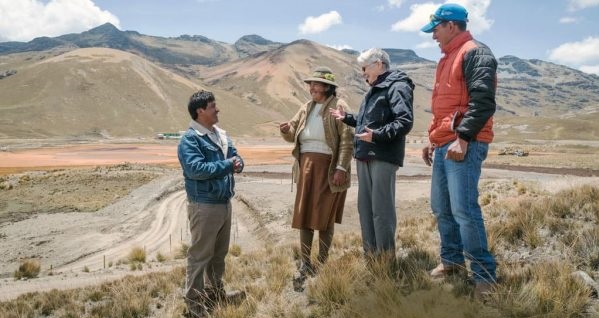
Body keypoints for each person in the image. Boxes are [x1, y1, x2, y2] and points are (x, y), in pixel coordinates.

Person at [419, 3, 497, 298]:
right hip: (444, 144)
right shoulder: (447, 58)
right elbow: (445, 110)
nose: (433, 36)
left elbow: (483, 101)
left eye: (436, 29)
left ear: (451, 25)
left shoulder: (475, 52)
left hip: (465, 144)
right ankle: (451, 261)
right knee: (442, 208)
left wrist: (463, 138)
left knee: (464, 209)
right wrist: (432, 138)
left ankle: (485, 275)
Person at [330, 48, 414, 257]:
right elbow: (368, 121)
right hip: (365, 155)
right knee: (365, 209)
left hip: (383, 157)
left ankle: (385, 258)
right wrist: (348, 118)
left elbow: (404, 121)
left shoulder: (398, 86)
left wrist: (377, 135)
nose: (362, 73)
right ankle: (370, 255)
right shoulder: (375, 89)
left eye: (365, 68)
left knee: (381, 210)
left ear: (378, 64)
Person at [279, 66, 354, 288]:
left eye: (317, 84)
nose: (312, 87)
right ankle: (305, 262)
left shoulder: (339, 107)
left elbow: (347, 140)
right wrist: (285, 130)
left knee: (324, 216)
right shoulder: (307, 107)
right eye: (311, 84)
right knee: (304, 214)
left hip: (329, 167)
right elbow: (293, 132)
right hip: (307, 166)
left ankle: (322, 261)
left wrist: (341, 167)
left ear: (328, 87)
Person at [177, 90, 245, 317]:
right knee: (199, 256)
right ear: (200, 111)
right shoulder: (190, 139)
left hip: (224, 203)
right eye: (213, 106)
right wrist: (228, 165)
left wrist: (238, 162)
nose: (218, 109)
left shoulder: (221, 135)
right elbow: (195, 169)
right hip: (204, 205)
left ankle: (215, 294)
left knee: (218, 255)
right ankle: (194, 305)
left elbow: (235, 156)